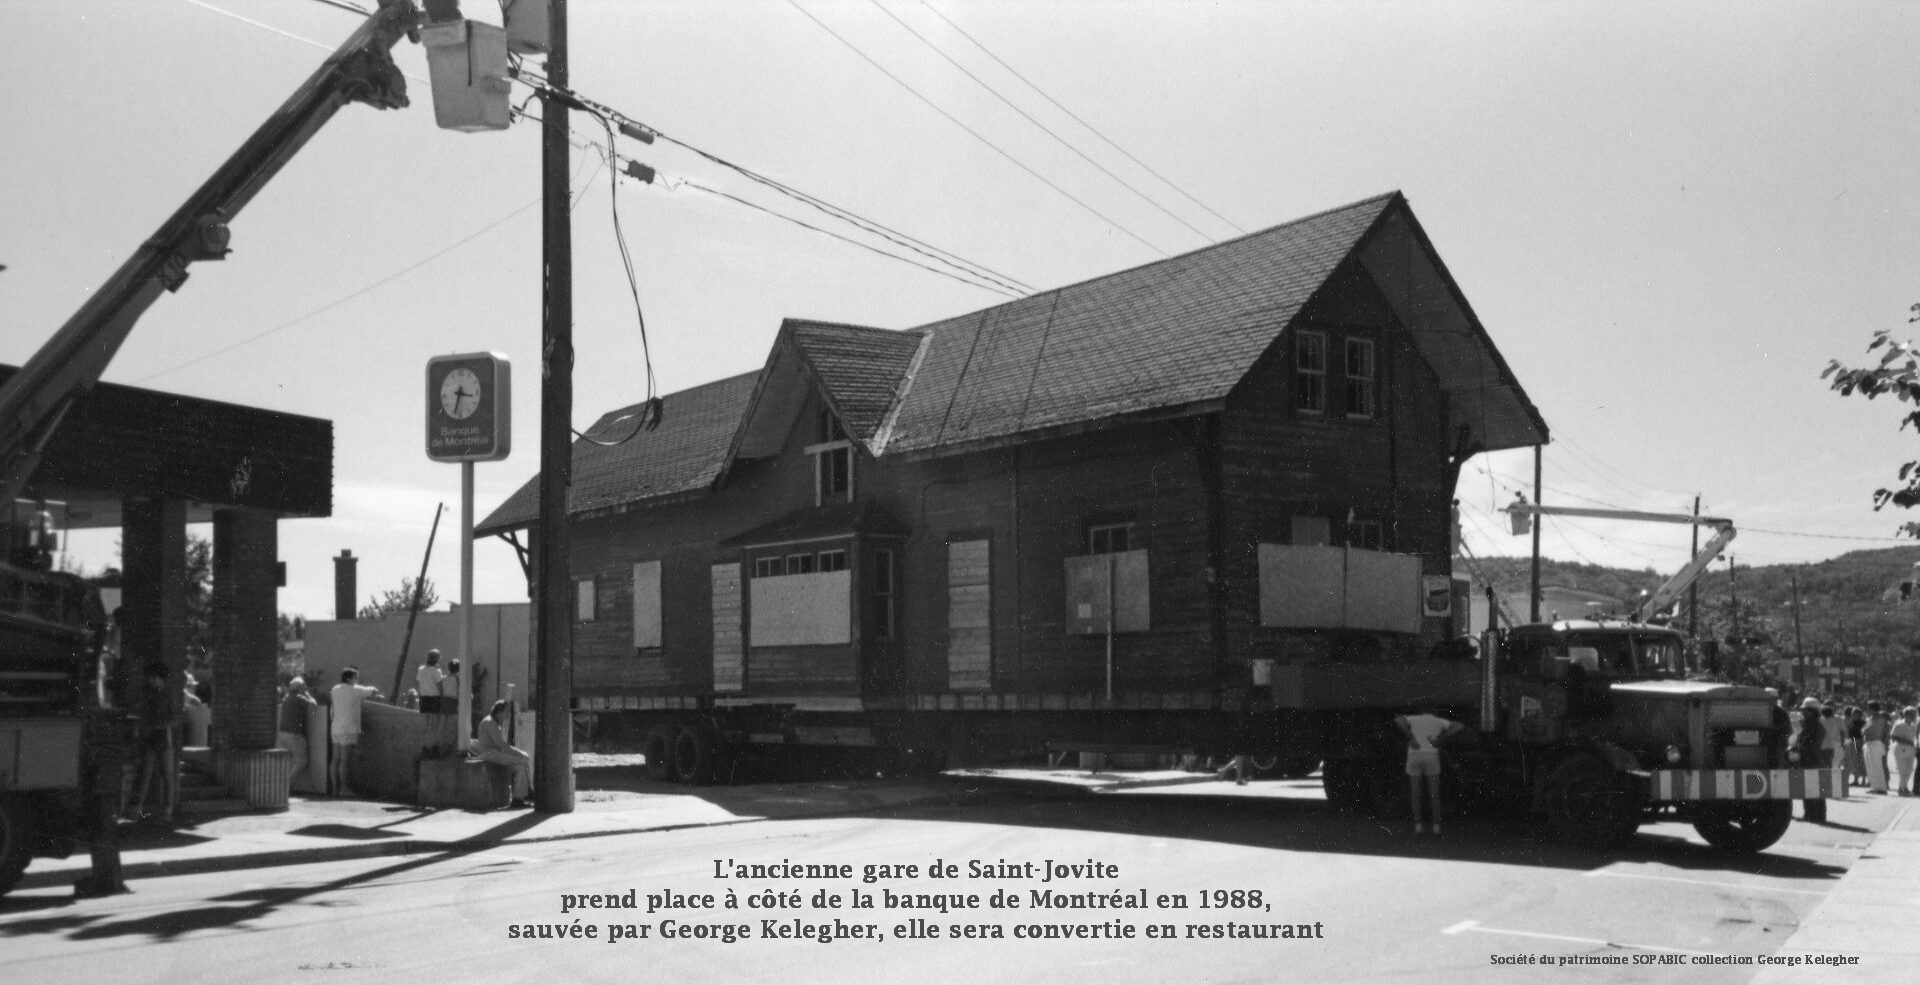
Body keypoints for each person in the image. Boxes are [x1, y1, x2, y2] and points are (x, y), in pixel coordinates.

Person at [1395, 707, 1464, 835]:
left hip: (1414, 756)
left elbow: (1398, 720)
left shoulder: (1414, 719)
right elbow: (1459, 726)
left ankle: (1418, 825)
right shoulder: (1438, 721)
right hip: (1431, 757)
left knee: (1415, 793)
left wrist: (1409, 735)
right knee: (1434, 793)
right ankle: (1436, 826)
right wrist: (1442, 738)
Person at [126, 661, 176, 824]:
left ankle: (165, 810)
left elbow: (174, 718)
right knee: (147, 774)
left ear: (162, 678)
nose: (152, 681)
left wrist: (154, 725)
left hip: (160, 735)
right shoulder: (149, 693)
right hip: (152, 735)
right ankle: (140, 809)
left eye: (154, 678)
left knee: (164, 775)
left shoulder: (167, 695)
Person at [328, 668, 380, 797]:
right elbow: (373, 690)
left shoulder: (335, 689)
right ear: (349, 679)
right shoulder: (356, 690)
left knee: (335, 759)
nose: (358, 680)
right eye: (356, 677)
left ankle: (334, 788)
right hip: (348, 727)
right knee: (345, 761)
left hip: (336, 727)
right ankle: (344, 788)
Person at [474, 699, 532, 807]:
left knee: (520, 767)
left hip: (493, 752)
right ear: (499, 711)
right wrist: (520, 753)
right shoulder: (490, 722)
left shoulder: (494, 722)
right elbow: (502, 745)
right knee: (524, 759)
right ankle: (530, 789)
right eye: (506, 712)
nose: (507, 715)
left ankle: (518, 799)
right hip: (489, 752)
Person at [277, 677, 319, 787]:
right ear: (300, 688)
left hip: (282, 733)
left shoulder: (286, 699)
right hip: (295, 734)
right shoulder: (299, 698)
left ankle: (281, 784)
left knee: (286, 761)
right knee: (302, 762)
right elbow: (314, 705)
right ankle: (286, 785)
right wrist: (308, 694)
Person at [1793, 697, 1827, 823]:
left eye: (1806, 710)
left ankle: (1813, 815)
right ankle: (1814, 815)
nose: (1803, 713)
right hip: (1811, 759)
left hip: (1810, 759)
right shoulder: (1811, 724)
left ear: (1813, 711)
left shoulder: (1813, 725)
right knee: (1811, 789)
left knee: (1811, 789)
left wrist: (1800, 752)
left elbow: (1808, 744)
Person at [1865, 702, 1892, 794]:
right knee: (1870, 766)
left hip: (1876, 743)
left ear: (1873, 709)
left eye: (1868, 708)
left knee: (1877, 766)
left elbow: (1888, 728)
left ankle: (1881, 788)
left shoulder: (1881, 718)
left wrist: (1884, 741)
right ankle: (1875, 787)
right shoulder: (1871, 718)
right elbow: (1864, 730)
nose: (1867, 710)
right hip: (1869, 743)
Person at [1892, 706, 1918, 797]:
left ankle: (1904, 787)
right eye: (1911, 714)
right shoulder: (1899, 724)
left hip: (1910, 749)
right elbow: (1893, 736)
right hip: (1901, 748)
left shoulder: (1913, 725)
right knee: (1902, 769)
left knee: (1909, 769)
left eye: (1914, 715)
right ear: (1906, 714)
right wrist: (1906, 741)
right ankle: (1902, 788)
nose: (1913, 716)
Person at [416, 649, 446, 715]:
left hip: (423, 696)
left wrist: (419, 694)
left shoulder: (421, 669)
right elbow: (439, 686)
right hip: (435, 698)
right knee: (434, 718)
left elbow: (419, 682)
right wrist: (442, 698)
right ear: (438, 659)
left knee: (424, 717)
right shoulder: (437, 671)